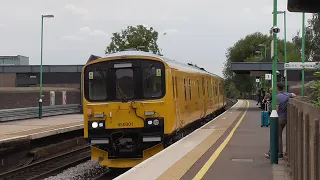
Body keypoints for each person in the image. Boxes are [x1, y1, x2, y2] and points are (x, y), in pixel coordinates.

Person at [264, 83, 296, 158]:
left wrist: (272, 117)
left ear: (277, 88)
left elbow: (276, 109)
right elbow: (294, 95)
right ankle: (271, 152)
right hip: (285, 117)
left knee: (277, 136)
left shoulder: (277, 97)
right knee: (277, 135)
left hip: (279, 118)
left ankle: (278, 153)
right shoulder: (287, 95)